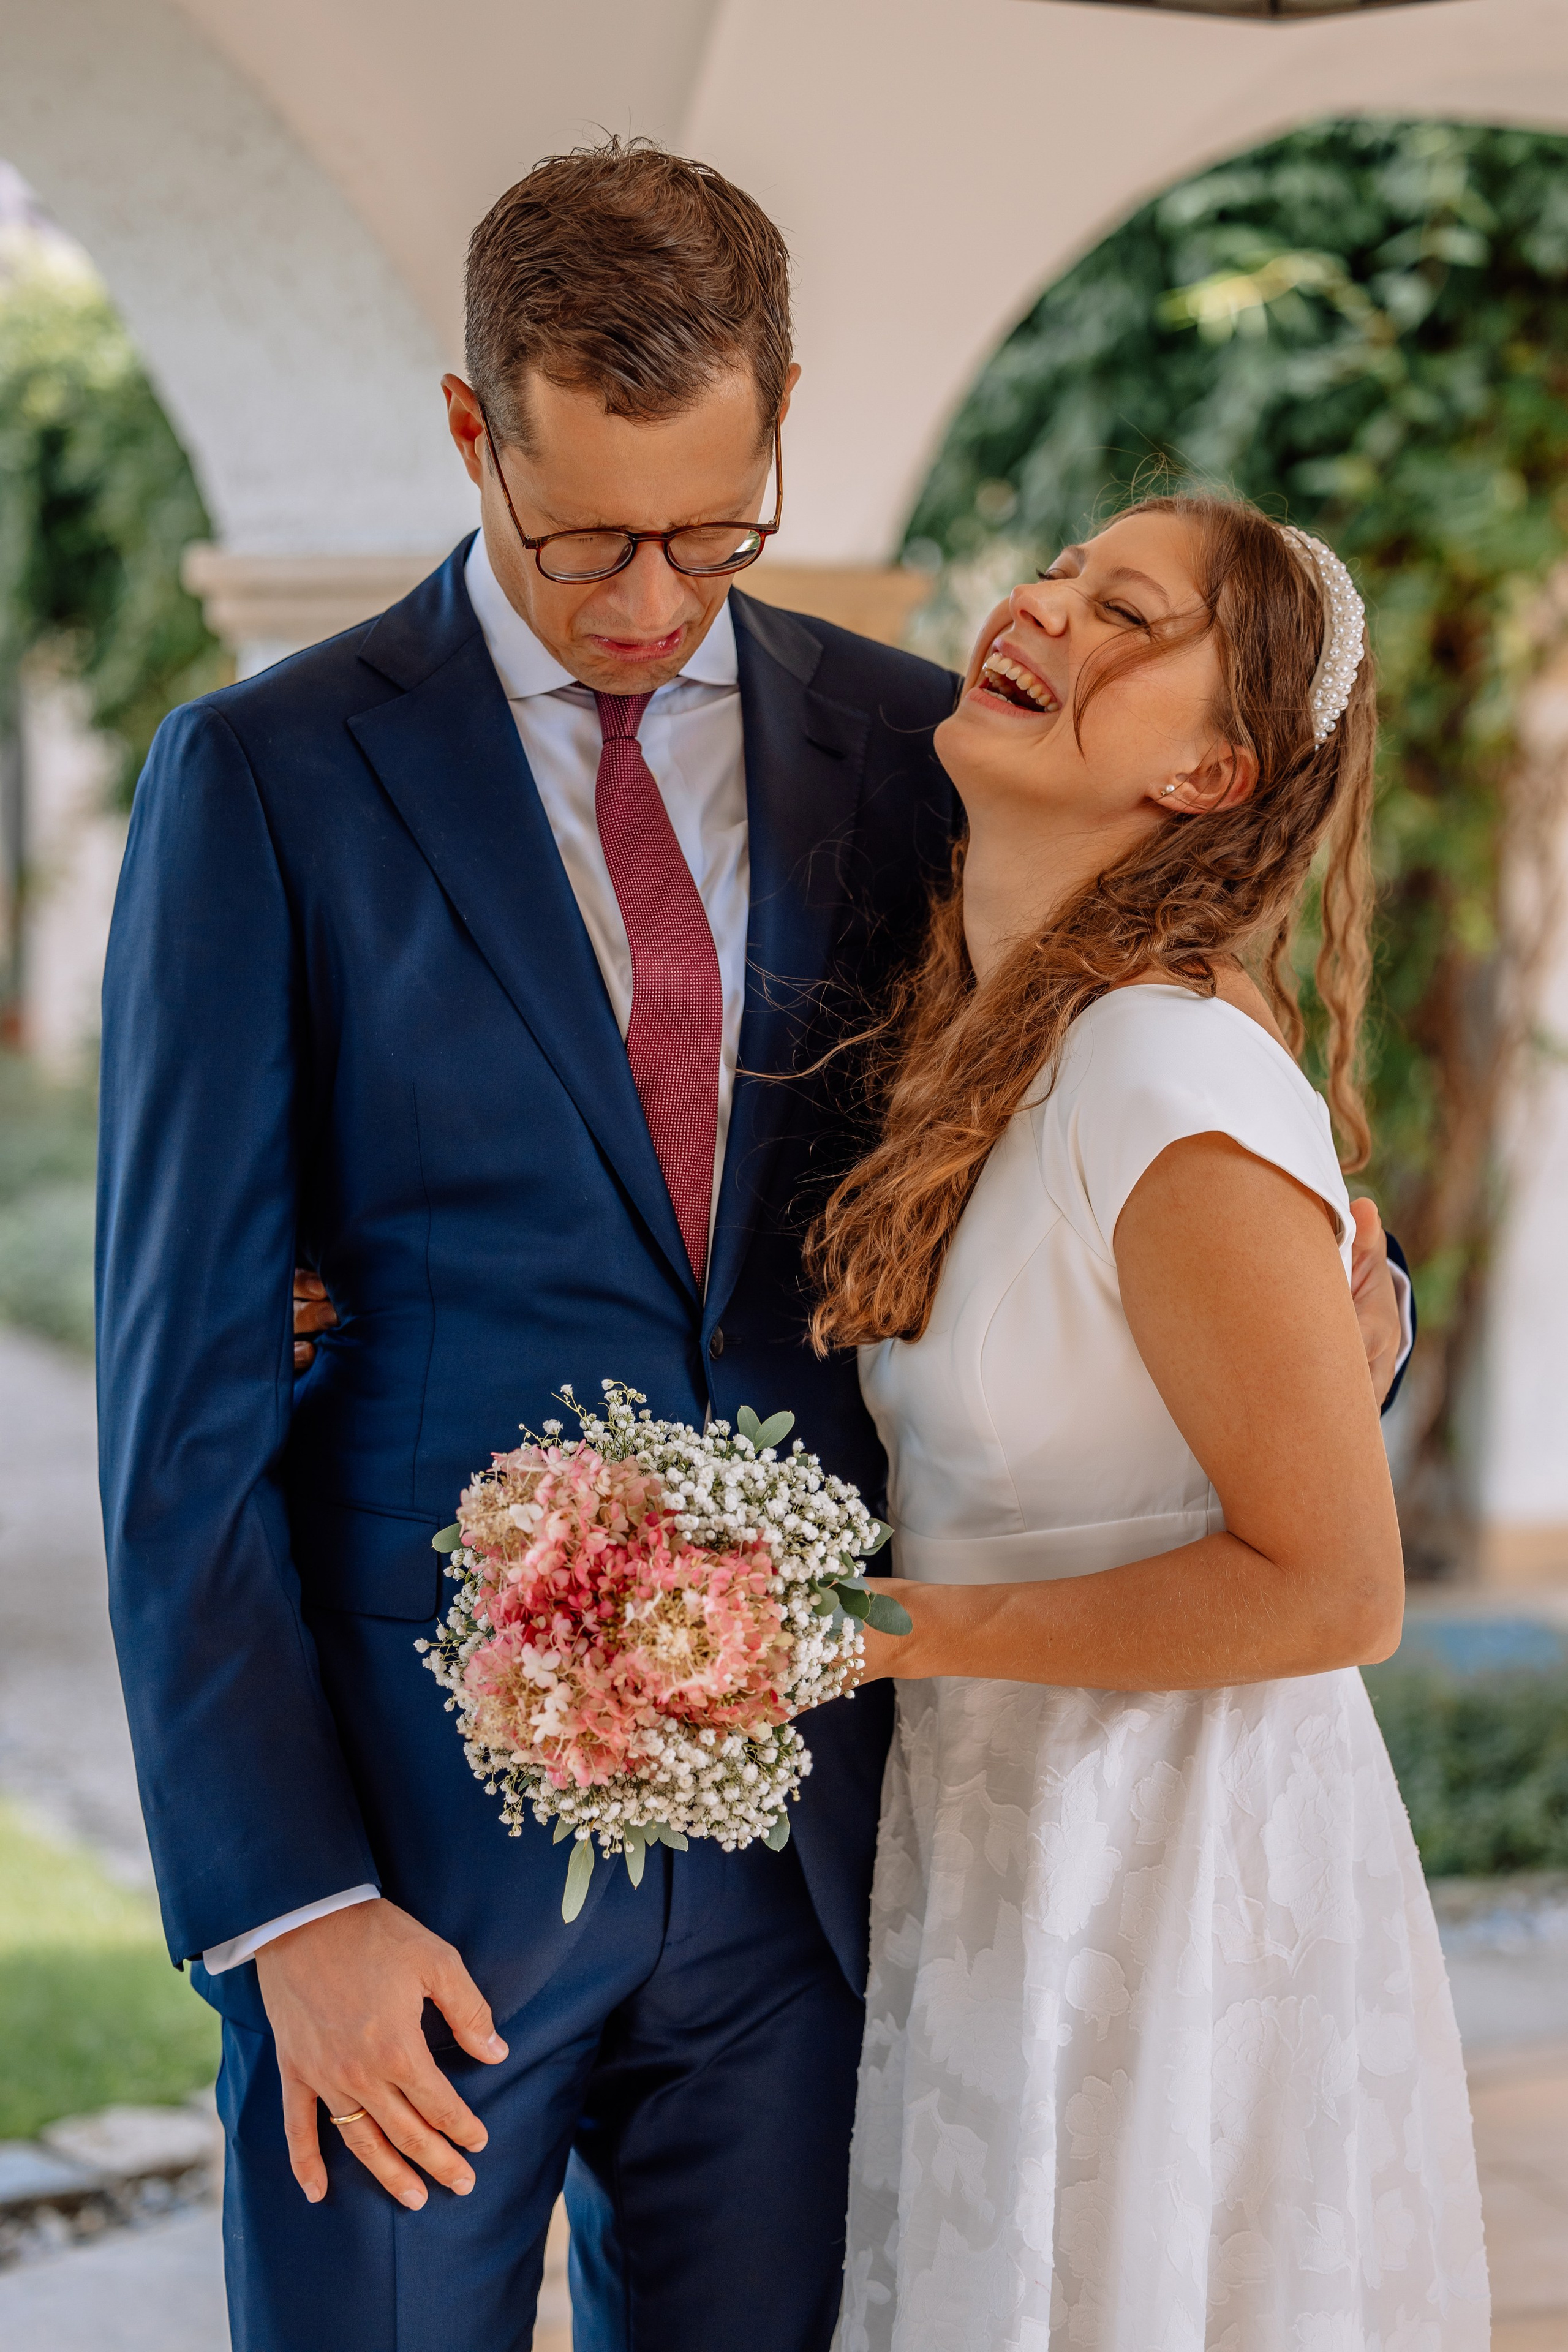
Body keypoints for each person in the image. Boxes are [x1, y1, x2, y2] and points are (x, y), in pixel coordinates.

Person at [97, 140, 1412, 2352]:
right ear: (473, 432)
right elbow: (179, 1411)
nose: (647, 599)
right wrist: (287, 1903)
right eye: (587, 539)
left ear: (782, 416)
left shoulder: (923, 750)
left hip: (827, 1875)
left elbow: (1123, 1129)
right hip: (416, 1852)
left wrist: (1344, 1342)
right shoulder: (267, 780)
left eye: (713, 533)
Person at [815, 496, 1487, 2348]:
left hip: (1173, 1875)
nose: (1044, 611)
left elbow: (1339, 1589)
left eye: (1128, 615)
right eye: (1060, 576)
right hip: (1012, 1844)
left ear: (1211, 772)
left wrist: (888, 1629)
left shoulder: (1161, 1064)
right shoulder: (1006, 1040)